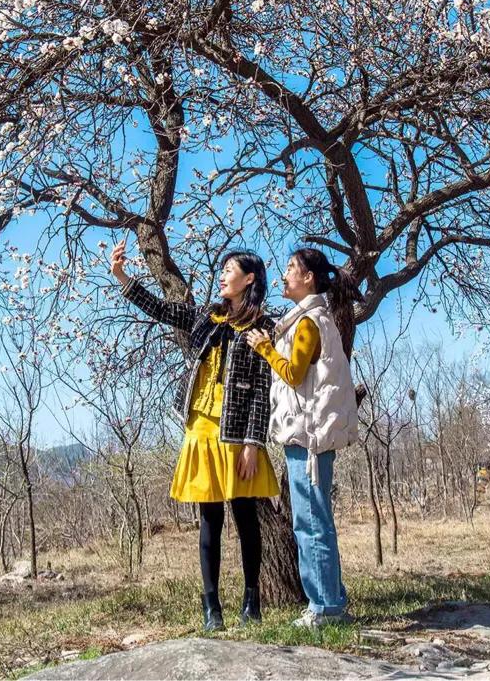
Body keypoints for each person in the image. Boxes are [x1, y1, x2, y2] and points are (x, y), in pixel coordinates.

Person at [110, 242, 279, 631]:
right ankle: (211, 607)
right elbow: (164, 311)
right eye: (221, 270)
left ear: (249, 278)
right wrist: (122, 277)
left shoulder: (262, 329)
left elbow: (261, 391)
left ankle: (251, 603)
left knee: (246, 516)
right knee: (210, 519)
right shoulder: (209, 318)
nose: (222, 275)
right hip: (200, 426)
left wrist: (254, 443)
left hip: (237, 434)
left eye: (230, 270)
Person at [246, 247, 360, 628]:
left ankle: (326, 607)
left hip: (308, 437)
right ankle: (329, 601)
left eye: (290, 269)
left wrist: (265, 349)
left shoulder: (309, 322)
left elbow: (294, 374)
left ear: (308, 278)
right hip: (307, 434)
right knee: (312, 519)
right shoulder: (307, 319)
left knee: (311, 521)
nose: (283, 276)